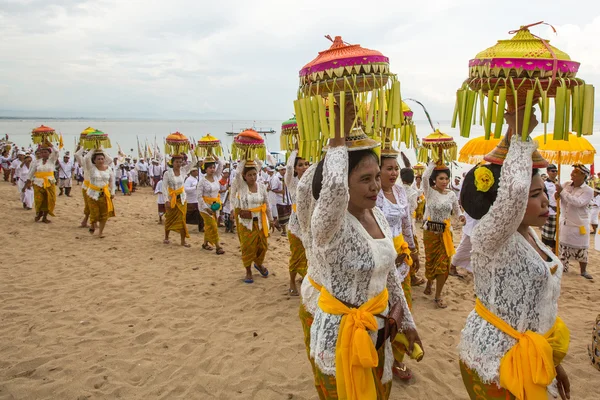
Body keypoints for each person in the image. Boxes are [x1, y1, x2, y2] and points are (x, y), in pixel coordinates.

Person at [308, 106, 422, 399]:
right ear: (343, 185)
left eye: (376, 177)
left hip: (378, 331)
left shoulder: (378, 216)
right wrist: (337, 139)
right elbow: (331, 188)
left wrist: (407, 323)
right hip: (339, 338)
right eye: (364, 179)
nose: (375, 186)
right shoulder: (330, 226)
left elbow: (389, 278)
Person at [458, 111, 570, 400]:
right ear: (504, 204)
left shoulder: (529, 235)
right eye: (535, 195)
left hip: (531, 357)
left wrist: (553, 362)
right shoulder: (489, 237)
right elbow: (515, 190)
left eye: (543, 191)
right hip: (494, 363)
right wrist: (518, 133)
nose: (546, 200)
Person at [376, 149, 419, 381]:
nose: (393, 173)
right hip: (382, 259)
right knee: (384, 314)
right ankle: (383, 359)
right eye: (388, 168)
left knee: (404, 311)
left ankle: (398, 359)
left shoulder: (401, 192)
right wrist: (389, 257)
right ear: (378, 171)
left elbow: (406, 223)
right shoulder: (373, 195)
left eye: (395, 168)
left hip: (402, 260)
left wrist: (413, 249)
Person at [422, 161, 464, 308]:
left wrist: (461, 217)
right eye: (441, 178)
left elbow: (457, 210)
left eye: (446, 178)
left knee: (443, 266)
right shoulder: (429, 192)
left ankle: (438, 295)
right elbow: (424, 178)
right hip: (430, 233)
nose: (445, 181)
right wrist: (432, 164)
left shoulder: (451, 194)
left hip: (446, 234)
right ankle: (429, 281)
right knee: (430, 262)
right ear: (435, 179)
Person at [231, 159, 274, 283]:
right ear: (244, 176)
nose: (252, 177)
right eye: (249, 175)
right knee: (247, 247)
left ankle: (258, 263)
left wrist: (271, 219)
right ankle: (248, 271)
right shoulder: (240, 186)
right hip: (246, 223)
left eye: (254, 174)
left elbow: (267, 203)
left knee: (263, 246)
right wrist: (245, 156)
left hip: (260, 221)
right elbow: (238, 172)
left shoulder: (261, 186)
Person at [556, 163, 594, 279]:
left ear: (583, 176)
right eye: (572, 172)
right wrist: (557, 194)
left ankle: (583, 271)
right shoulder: (566, 185)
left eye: (576, 172)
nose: (572, 174)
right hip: (565, 222)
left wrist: (562, 192)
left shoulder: (588, 191)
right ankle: (563, 267)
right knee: (563, 248)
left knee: (581, 249)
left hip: (579, 224)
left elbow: (578, 202)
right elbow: (560, 197)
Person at [284, 150, 309, 296]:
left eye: (306, 164)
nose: (304, 167)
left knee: (309, 255)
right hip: (295, 225)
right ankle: (292, 282)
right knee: (295, 255)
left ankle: (306, 279)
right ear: (295, 168)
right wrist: (295, 150)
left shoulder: (314, 181)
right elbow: (287, 169)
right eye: (300, 165)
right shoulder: (292, 183)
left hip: (309, 225)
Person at [401, 167, 426, 287]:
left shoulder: (397, 190)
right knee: (412, 250)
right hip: (409, 224)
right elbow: (412, 208)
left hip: (397, 227)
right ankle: (412, 276)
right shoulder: (412, 192)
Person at [163, 153, 194, 247]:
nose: (178, 164)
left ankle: (183, 241)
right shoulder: (167, 173)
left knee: (182, 219)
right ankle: (166, 237)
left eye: (180, 162)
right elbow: (164, 187)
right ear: (172, 162)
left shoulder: (183, 171)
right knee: (169, 218)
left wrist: (191, 150)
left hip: (182, 199)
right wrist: (166, 200)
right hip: (171, 199)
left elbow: (194, 162)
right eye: (176, 162)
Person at [83, 149, 115, 238]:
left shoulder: (108, 168)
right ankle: (93, 224)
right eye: (98, 159)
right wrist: (93, 148)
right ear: (94, 160)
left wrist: (101, 148)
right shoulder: (91, 168)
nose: (100, 160)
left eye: (102, 159)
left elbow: (111, 181)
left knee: (104, 214)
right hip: (92, 194)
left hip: (104, 193)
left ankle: (100, 232)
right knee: (94, 213)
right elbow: (86, 158)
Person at [198, 156, 225, 254]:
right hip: (204, 207)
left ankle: (205, 243)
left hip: (215, 205)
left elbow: (221, 164)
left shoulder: (216, 177)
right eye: (210, 168)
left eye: (213, 167)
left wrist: (214, 156)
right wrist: (206, 207)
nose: (213, 169)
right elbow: (199, 197)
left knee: (209, 226)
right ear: (205, 169)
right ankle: (218, 246)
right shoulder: (202, 181)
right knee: (213, 225)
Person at [25, 142, 59, 223]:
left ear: (49, 153)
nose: (43, 154)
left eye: (45, 152)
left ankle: (45, 216)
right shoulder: (37, 162)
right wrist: (28, 182)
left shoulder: (52, 160)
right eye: (42, 152)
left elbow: (57, 152)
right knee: (39, 200)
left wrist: (51, 145)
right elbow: (31, 172)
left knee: (50, 199)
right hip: (38, 183)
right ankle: (39, 213)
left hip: (49, 182)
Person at [541, 164, 559, 251]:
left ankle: (555, 250)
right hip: (550, 211)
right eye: (552, 171)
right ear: (547, 172)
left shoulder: (559, 183)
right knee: (548, 235)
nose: (554, 173)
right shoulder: (545, 184)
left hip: (559, 212)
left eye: (556, 171)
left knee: (557, 234)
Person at [184, 167, 201, 231]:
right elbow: (186, 189)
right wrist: (195, 187)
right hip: (191, 200)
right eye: (196, 171)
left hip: (197, 199)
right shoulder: (189, 179)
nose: (197, 172)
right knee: (189, 213)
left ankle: (201, 227)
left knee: (199, 214)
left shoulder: (197, 179)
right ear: (192, 172)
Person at [219, 168, 235, 233]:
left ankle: (231, 228)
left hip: (232, 204)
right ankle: (227, 228)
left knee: (232, 217)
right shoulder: (228, 189)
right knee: (226, 217)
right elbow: (225, 195)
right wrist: (223, 203)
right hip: (226, 203)